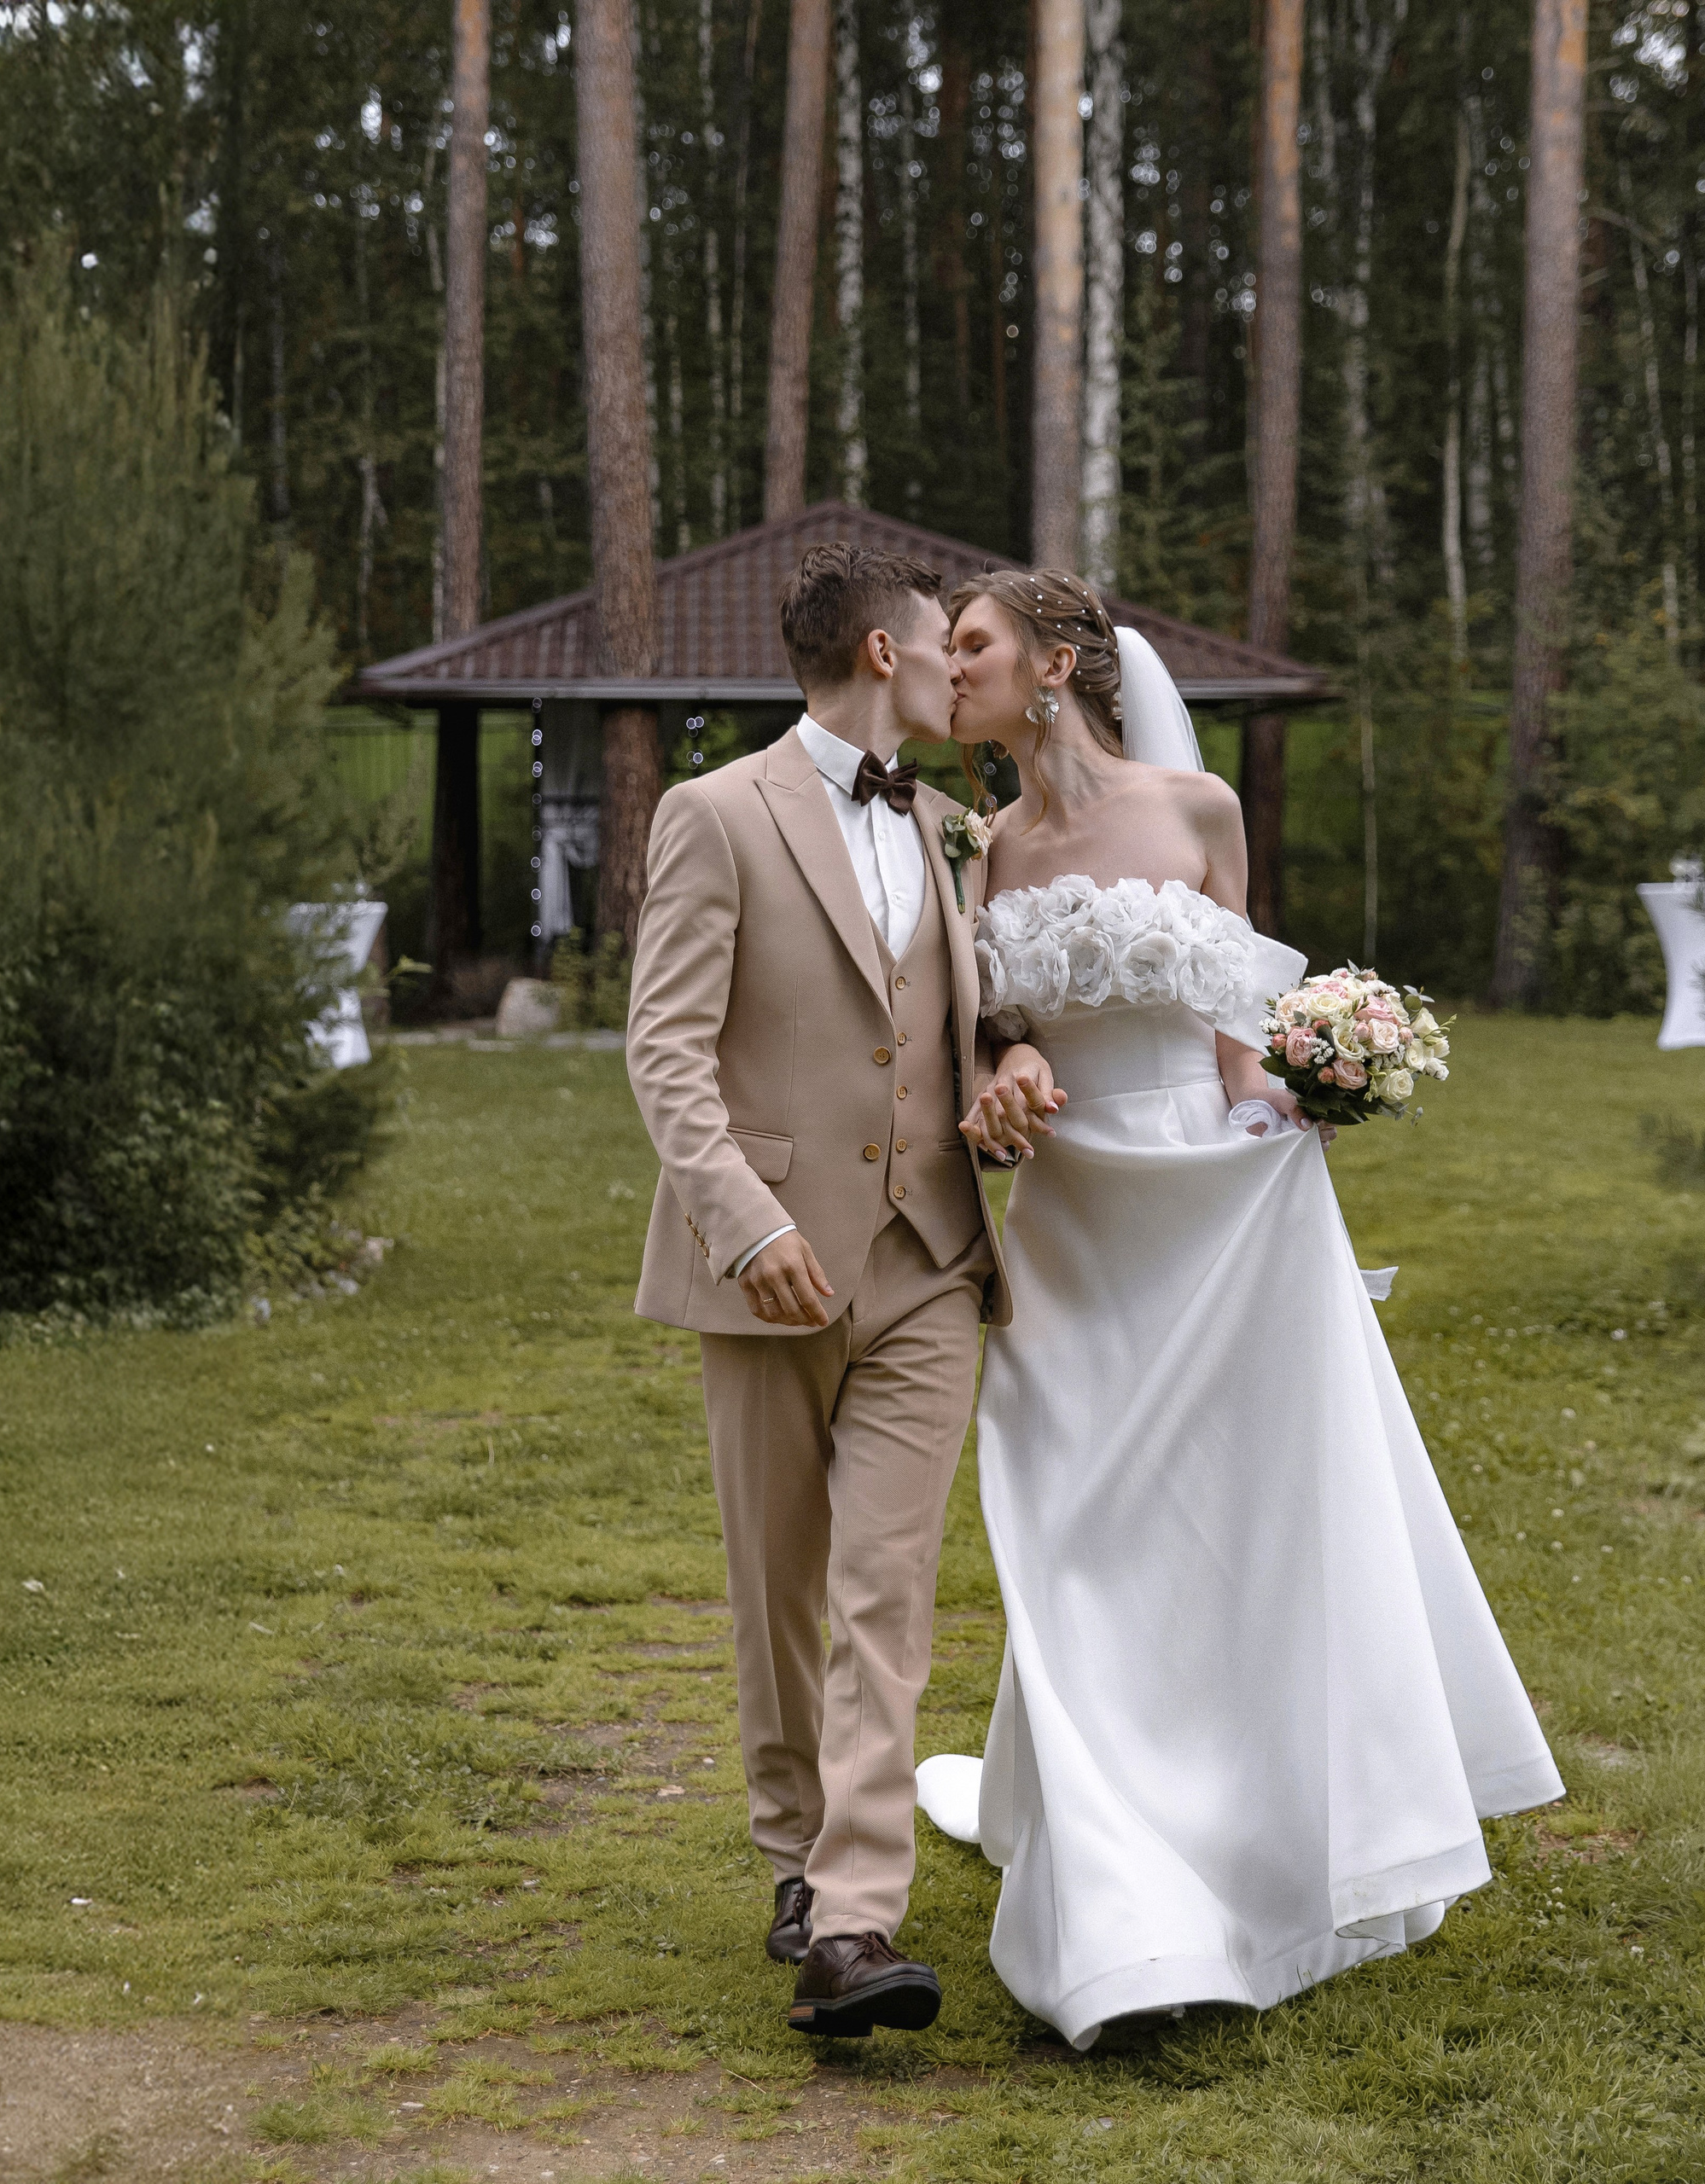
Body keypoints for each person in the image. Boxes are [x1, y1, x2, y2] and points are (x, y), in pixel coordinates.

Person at [918, 569, 1564, 2052]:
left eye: (974, 646)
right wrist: (997, 1077)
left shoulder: (1199, 812)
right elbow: (979, 1032)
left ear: (1057, 662)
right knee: (1071, 1533)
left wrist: (1313, 1087)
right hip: (1075, 1222)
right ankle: (1117, 1871)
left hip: (1219, 1212)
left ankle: (1227, 1853)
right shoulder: (984, 847)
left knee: (1243, 1519)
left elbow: (1230, 1035)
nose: (951, 671)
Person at [626, 543, 1011, 2040]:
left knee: (884, 1593)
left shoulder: (958, 833)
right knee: (778, 1591)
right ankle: (793, 1861)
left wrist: (1016, 1054)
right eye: (936, 646)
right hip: (769, 1271)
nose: (951, 668)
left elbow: (985, 1009)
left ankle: (856, 1921)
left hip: (929, 1258)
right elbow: (665, 1049)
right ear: (875, 653)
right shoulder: (716, 815)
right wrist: (740, 1222)